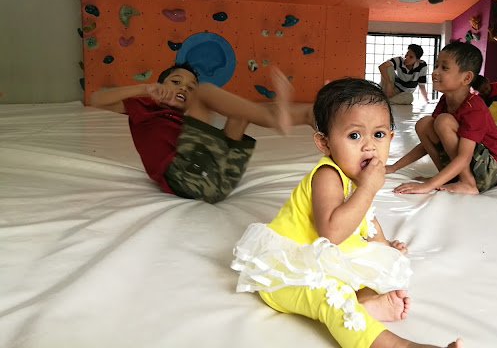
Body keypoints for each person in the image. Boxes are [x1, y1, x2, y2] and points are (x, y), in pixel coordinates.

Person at [231, 78, 464, 348]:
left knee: (373, 274)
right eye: (354, 135)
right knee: (333, 295)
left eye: (378, 135)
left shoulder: (355, 177)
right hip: (289, 271)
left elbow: (367, 217)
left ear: (391, 138)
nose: (369, 146)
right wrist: (367, 188)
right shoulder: (327, 175)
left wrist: (385, 246)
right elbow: (331, 233)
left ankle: (366, 303)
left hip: (323, 259)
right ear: (325, 143)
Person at [89, 62, 314, 204]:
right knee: (206, 91)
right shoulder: (145, 107)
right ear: (160, 85)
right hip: (185, 178)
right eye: (176, 82)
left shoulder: (187, 124)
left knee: (241, 112)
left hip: (219, 182)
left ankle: (309, 115)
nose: (183, 88)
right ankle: (278, 118)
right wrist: (144, 88)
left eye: (190, 88)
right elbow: (96, 99)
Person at [387, 41, 497, 195]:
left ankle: (467, 183)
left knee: (443, 121)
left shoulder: (474, 107)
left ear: (466, 78)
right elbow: (427, 143)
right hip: (470, 165)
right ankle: (449, 178)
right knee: (424, 124)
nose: (435, 72)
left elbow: (464, 157)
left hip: (490, 171)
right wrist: (394, 167)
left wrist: (428, 185)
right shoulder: (445, 101)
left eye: (444, 68)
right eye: (436, 66)